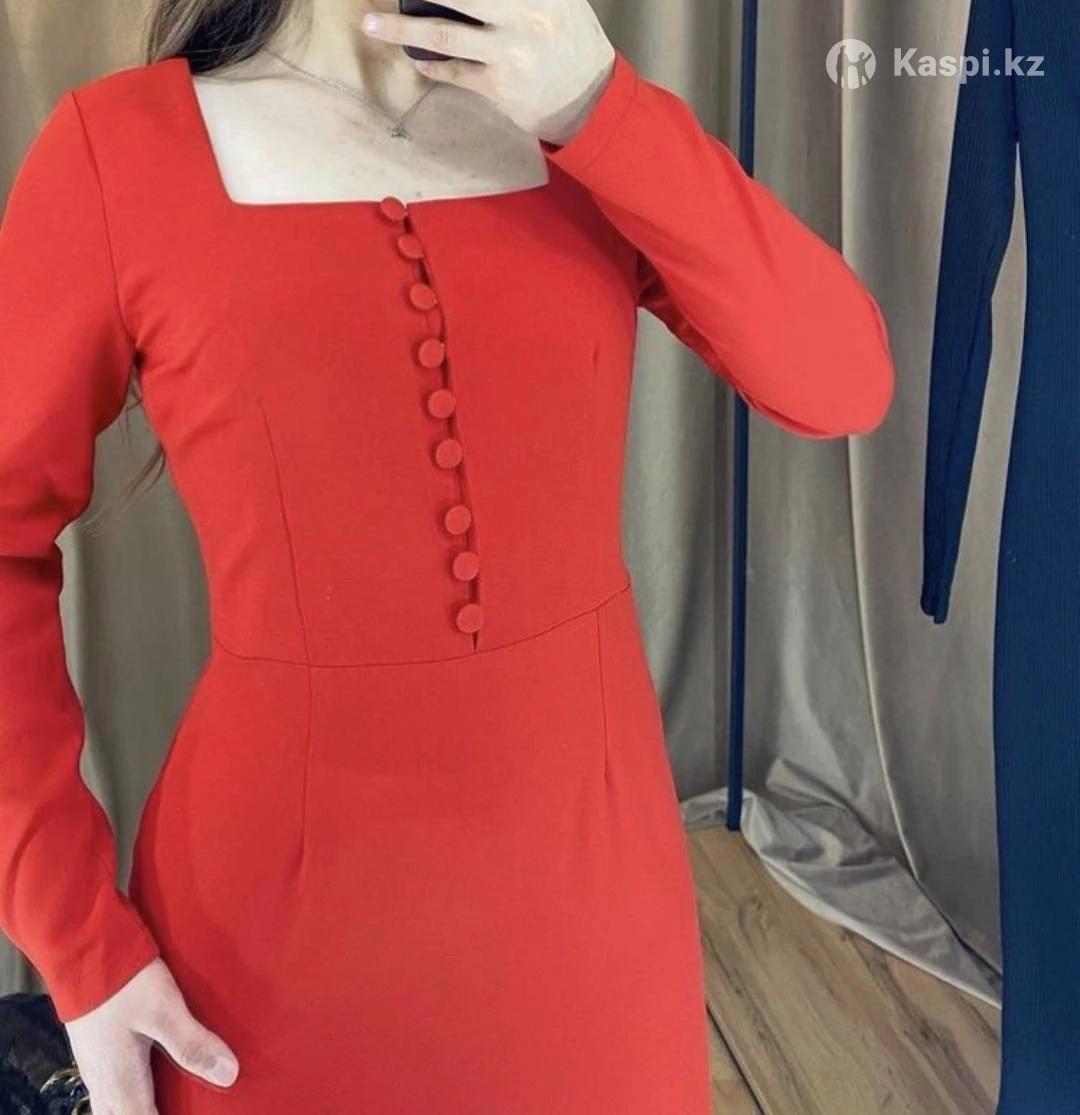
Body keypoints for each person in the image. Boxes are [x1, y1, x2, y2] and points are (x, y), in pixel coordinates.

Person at [0, 0, 895, 1111]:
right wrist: (79, 942)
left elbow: (842, 381)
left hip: (599, 923)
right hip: (270, 953)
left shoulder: (573, 118)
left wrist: (600, 108)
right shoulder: (119, 151)